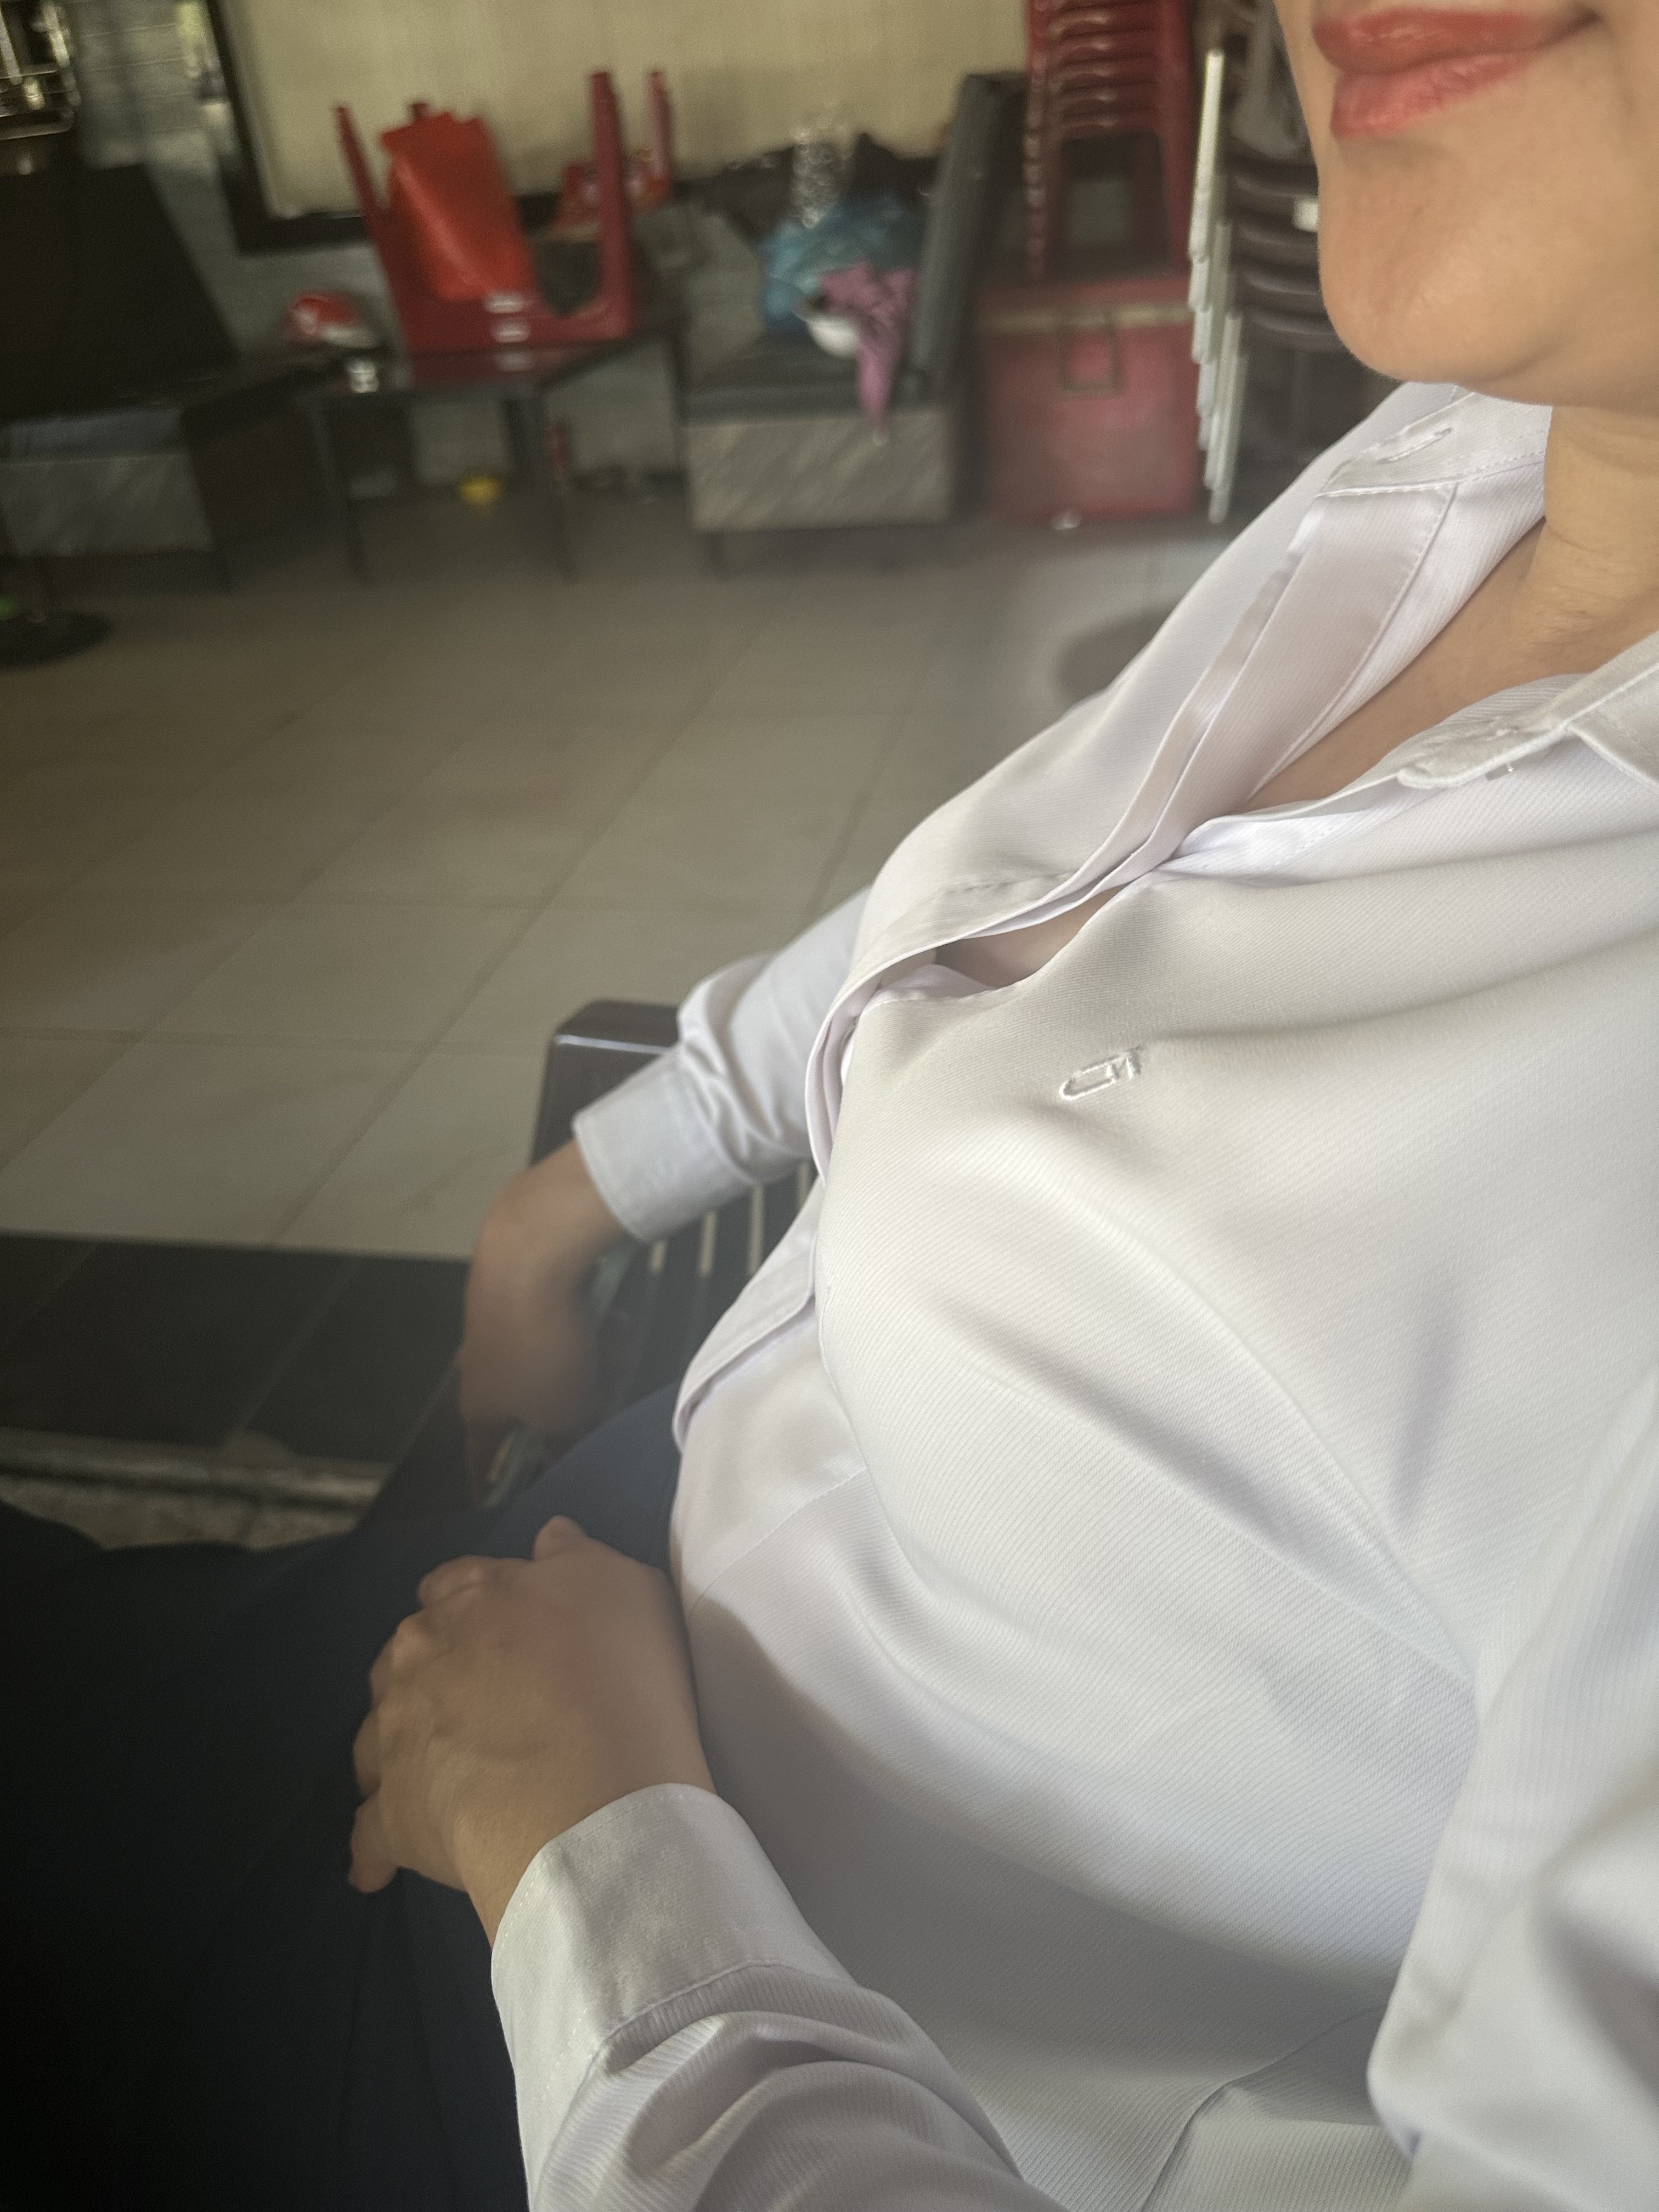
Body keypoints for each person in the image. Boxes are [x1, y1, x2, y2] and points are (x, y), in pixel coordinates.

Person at [5, 1, 1659, 2206]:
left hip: (627, 2048)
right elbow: (1021, 884)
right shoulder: (1460, 467)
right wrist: (583, 1193)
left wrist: (595, 1849)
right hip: (607, 1566)